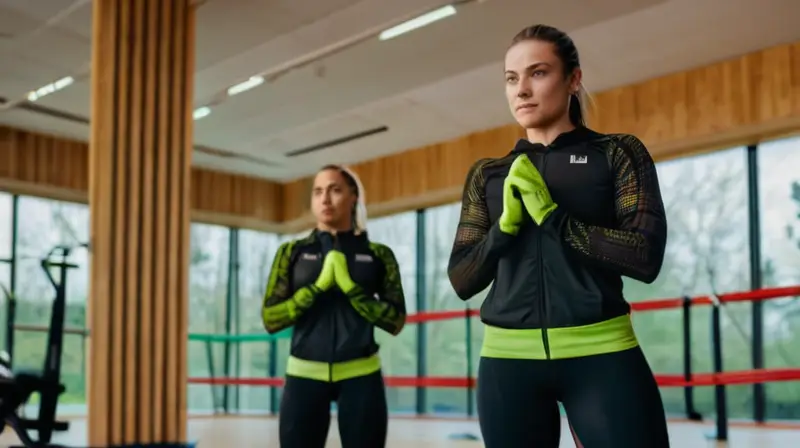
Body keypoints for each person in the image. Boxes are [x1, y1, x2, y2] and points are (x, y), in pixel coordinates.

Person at [447, 24, 670, 448]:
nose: (522, 90)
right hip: (507, 363)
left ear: (573, 79)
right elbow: (462, 278)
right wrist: (504, 228)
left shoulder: (617, 152)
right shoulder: (488, 174)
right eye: (512, 79)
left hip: (602, 354)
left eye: (538, 73)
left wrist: (552, 216)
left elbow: (644, 256)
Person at [261, 164, 407, 448]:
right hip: (304, 374)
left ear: (353, 197)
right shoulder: (291, 252)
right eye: (318, 192)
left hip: (361, 375)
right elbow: (271, 318)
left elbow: (396, 320)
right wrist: (315, 290)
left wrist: (352, 289)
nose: (325, 199)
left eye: (335, 190)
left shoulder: (378, 255)